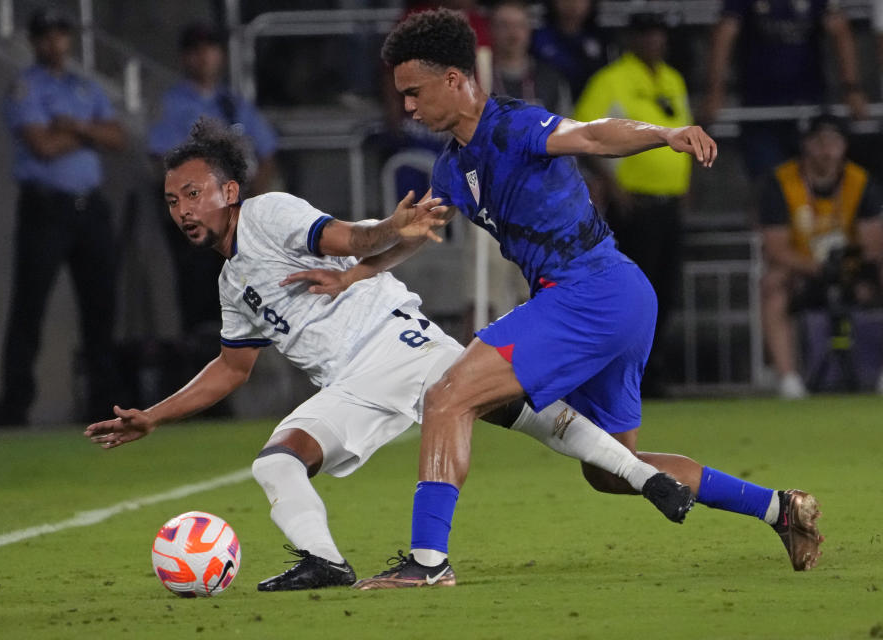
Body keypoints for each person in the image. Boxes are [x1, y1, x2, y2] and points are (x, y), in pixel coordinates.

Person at [84, 118, 694, 592]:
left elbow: (350, 240)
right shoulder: (229, 283)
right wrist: (154, 416)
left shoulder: (267, 214)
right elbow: (232, 367)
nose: (184, 210)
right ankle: (325, 563)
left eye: (193, 194)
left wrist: (390, 231)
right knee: (280, 463)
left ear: (231, 190)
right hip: (359, 380)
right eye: (172, 202)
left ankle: (637, 479)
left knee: (528, 413)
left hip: (389, 346)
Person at [344, 9, 822, 589]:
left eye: (414, 93)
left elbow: (594, 133)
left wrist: (664, 135)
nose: (409, 108)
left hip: (589, 293)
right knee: (612, 470)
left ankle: (426, 563)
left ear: (453, 78)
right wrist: (357, 273)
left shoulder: (514, 126)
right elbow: (418, 235)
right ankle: (780, 510)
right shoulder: (452, 166)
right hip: (614, 296)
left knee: (447, 397)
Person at [0, 7, 126, 426]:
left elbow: (117, 137)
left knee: (100, 306)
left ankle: (105, 400)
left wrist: (75, 127)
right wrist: (88, 133)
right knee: (30, 306)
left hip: (89, 206)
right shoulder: (25, 87)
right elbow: (41, 145)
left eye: (60, 34)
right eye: (45, 35)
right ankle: (15, 404)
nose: (54, 43)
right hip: (46, 207)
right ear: (33, 41)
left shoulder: (85, 86)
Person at [572, 12, 692, 397]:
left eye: (659, 33)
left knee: (665, 291)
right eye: (647, 34)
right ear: (631, 39)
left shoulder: (672, 80)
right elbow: (584, 135)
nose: (655, 41)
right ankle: (624, 374)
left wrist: (683, 184)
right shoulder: (611, 81)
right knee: (635, 294)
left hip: (669, 203)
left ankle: (651, 371)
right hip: (633, 204)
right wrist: (611, 184)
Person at [148, 22, 279, 336]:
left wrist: (253, 201)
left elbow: (267, 150)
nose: (205, 57)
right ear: (185, 57)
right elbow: (161, 158)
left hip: (233, 219)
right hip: (197, 219)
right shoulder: (174, 104)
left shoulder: (231, 103)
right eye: (196, 50)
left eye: (211, 49)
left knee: (241, 303)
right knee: (200, 303)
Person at [759, 114, 883, 399]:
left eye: (833, 141)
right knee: (772, 286)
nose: (826, 149)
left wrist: (847, 268)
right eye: (818, 141)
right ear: (806, 145)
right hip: (803, 270)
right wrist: (818, 268)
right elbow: (775, 246)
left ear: (844, 146)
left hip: (852, 269)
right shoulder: (781, 182)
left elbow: (873, 244)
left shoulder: (861, 182)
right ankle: (789, 380)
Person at [701, 0, 868, 178]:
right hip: (760, 111)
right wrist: (715, 91)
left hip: (810, 108)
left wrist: (852, 89)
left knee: (817, 181)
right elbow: (725, 32)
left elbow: (839, 29)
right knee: (768, 183)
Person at [491, 0, 568, 114]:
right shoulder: (476, 79)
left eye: (519, 25)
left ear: (529, 30)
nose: (513, 33)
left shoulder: (550, 79)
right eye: (504, 25)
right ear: (492, 30)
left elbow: (566, 127)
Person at [530, 0, 609, 108]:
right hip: (549, 106)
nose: (573, 4)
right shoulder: (538, 38)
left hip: (591, 106)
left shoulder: (601, 39)